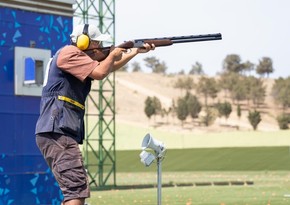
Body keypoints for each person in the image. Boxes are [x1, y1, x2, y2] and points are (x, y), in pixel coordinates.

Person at [35, 24, 155, 205]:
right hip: (58, 129)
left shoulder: (73, 58)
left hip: (58, 129)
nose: (100, 46)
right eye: (97, 42)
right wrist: (114, 54)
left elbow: (107, 68)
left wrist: (134, 52)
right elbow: (100, 72)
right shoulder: (69, 53)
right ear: (83, 43)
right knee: (76, 190)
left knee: (74, 188)